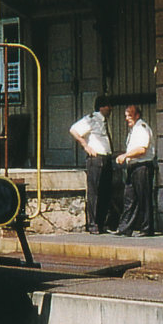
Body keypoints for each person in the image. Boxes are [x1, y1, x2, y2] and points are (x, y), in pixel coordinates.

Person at [70, 96, 114, 234]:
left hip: (106, 158)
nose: (110, 109)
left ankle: (102, 223)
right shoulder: (92, 119)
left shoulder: (105, 121)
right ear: (101, 107)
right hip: (96, 158)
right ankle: (93, 224)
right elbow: (74, 130)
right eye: (108, 106)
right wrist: (85, 146)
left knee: (105, 192)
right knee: (95, 192)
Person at [115, 104, 156, 237]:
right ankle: (125, 228)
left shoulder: (141, 128)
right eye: (126, 116)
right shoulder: (134, 130)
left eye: (130, 115)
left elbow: (141, 149)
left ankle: (147, 228)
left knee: (144, 198)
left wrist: (125, 156)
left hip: (142, 166)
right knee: (129, 198)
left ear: (137, 115)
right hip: (133, 167)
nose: (127, 118)